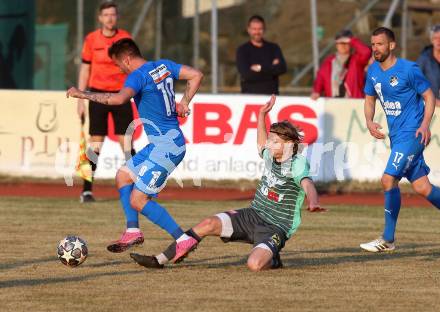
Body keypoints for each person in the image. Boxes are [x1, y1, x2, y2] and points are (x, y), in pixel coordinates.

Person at [130, 95, 327, 270]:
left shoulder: (297, 162)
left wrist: (313, 201)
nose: (269, 143)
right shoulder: (270, 155)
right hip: (252, 215)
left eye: (274, 141)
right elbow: (261, 143)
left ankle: (274, 260)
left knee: (254, 265)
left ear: (289, 145)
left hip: (276, 227)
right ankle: (159, 260)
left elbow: (307, 184)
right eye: (270, 139)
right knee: (208, 223)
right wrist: (260, 116)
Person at [67, 38, 204, 258]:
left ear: (127, 59)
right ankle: (133, 231)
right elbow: (196, 74)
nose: (119, 69)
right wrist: (185, 101)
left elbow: (119, 99)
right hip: (161, 143)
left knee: (138, 200)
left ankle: (182, 239)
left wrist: (82, 94)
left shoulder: (137, 76)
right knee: (123, 176)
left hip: (167, 148)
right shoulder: (164, 65)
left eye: (118, 64)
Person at [360, 27, 440, 253]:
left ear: (391, 45)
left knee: (387, 180)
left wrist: (425, 124)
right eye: (373, 44)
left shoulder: (408, 69)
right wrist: (369, 121)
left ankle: (388, 239)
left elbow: (429, 95)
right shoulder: (373, 71)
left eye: (380, 44)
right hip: (397, 138)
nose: (375, 48)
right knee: (423, 188)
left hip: (414, 134)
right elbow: (369, 99)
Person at [77, 1, 134, 203]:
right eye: (106, 15)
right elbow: (85, 68)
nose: (110, 18)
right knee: (96, 144)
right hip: (98, 95)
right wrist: (81, 98)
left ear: (117, 17)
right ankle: (86, 190)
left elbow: (133, 66)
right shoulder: (92, 39)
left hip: (121, 95)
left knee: (126, 142)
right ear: (100, 18)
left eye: (113, 14)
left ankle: (138, 188)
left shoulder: (125, 38)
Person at [311, 29, 371, 100]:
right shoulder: (329, 61)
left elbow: (366, 52)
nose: (343, 45)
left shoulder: (356, 60)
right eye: (340, 43)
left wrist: (352, 40)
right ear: (336, 44)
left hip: (353, 103)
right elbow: (320, 78)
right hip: (333, 102)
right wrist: (317, 91)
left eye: (345, 43)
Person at [236, 15, 287, 95]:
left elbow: (282, 68)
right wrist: (272, 72)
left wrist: (260, 68)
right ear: (248, 30)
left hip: (271, 98)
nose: (257, 32)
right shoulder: (242, 50)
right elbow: (246, 75)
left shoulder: (273, 48)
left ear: (264, 29)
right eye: (254, 29)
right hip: (250, 98)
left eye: (260, 29)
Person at [416, 24, 440, 107]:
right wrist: (432, 100)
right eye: (435, 38)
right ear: (431, 40)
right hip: (430, 106)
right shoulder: (424, 59)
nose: (438, 41)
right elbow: (415, 83)